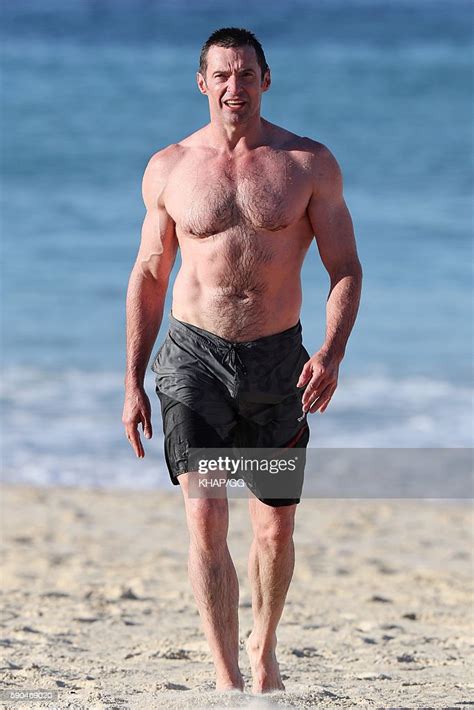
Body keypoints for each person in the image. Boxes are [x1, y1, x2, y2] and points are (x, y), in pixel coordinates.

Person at [122, 27, 362, 694]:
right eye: (222, 75)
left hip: (276, 363)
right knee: (204, 512)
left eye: (247, 74)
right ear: (203, 83)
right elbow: (148, 275)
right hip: (192, 359)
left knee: (275, 527)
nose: (235, 87)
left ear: (266, 80)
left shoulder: (307, 164)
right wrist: (133, 381)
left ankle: (264, 647)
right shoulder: (170, 168)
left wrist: (332, 352)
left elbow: (345, 268)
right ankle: (228, 682)